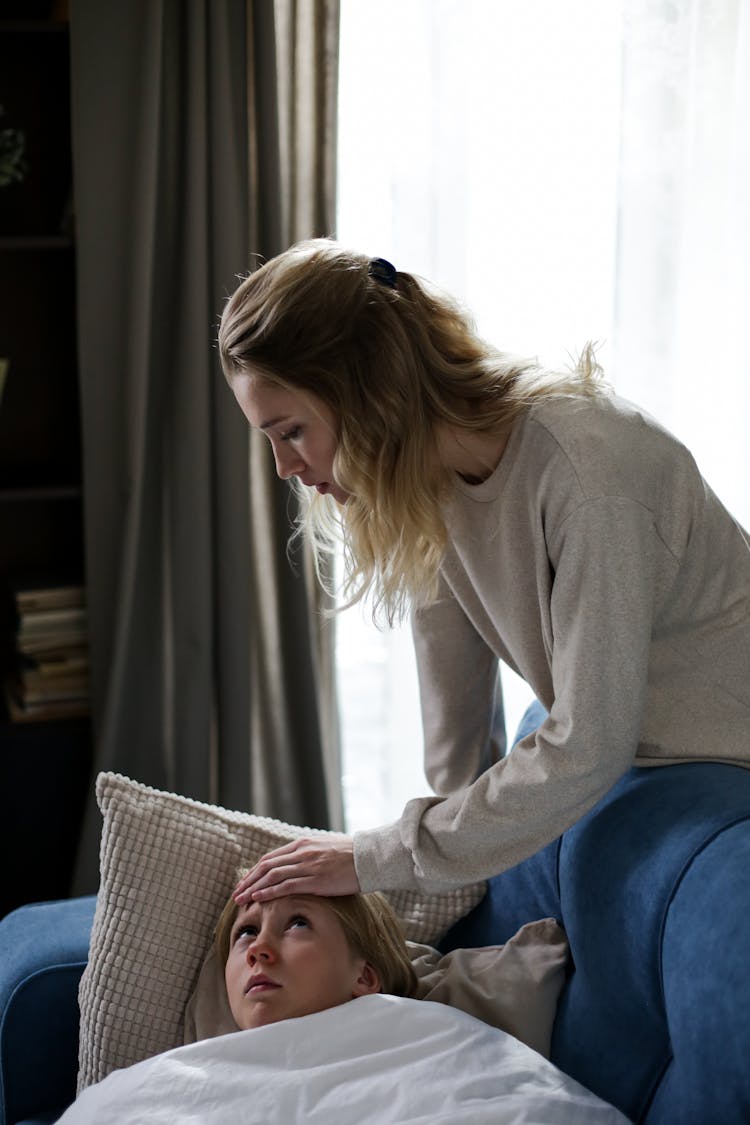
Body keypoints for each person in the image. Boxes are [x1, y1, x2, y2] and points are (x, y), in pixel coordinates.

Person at [218, 238, 750, 905]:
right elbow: (458, 748)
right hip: (634, 756)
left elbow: (588, 747)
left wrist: (369, 857)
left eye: (291, 431)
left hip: (720, 760)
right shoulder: (426, 486)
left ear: (368, 391)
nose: (283, 468)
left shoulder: (590, 477)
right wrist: (419, 902)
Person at [214, 875, 417, 1029]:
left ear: (364, 977)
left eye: (298, 924)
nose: (257, 949)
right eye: (247, 932)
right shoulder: (188, 1072)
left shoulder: (428, 1039)